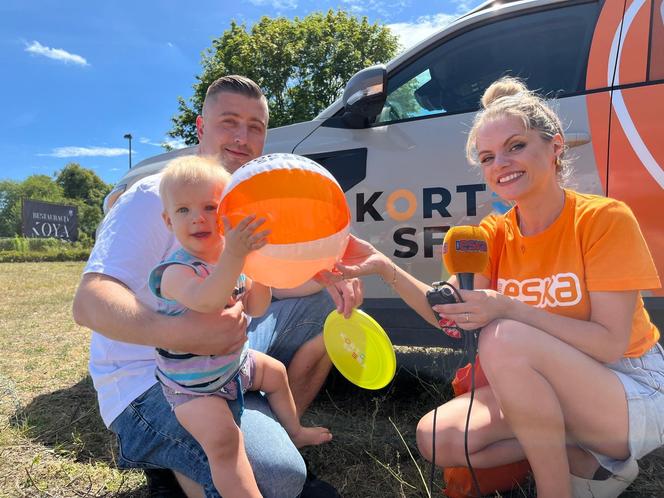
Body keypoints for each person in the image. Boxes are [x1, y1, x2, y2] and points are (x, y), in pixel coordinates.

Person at [326, 77, 664, 498]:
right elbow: (449, 314)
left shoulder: (603, 219)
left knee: (504, 335)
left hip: (629, 387)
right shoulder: (492, 233)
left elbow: (611, 343)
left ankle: (554, 488)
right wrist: (385, 269)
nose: (500, 163)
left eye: (516, 146)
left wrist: (509, 308)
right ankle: (591, 465)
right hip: (547, 387)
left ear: (556, 145)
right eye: (487, 157)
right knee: (439, 438)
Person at [72, 75, 360, 498]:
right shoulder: (153, 198)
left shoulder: (244, 206)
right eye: (229, 122)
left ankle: (268, 427)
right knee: (281, 479)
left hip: (226, 354)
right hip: (154, 375)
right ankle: (190, 453)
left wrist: (322, 273)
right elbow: (88, 302)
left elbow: (258, 293)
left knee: (320, 304)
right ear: (201, 127)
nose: (242, 138)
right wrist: (180, 333)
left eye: (255, 127)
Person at [150, 155, 332, 497]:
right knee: (225, 443)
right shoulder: (174, 271)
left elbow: (256, 306)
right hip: (192, 386)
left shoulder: (230, 258)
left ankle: (293, 430)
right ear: (168, 221)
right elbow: (205, 300)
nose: (198, 218)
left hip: (234, 364)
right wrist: (236, 256)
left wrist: (259, 270)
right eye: (183, 210)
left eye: (209, 207)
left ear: (226, 213)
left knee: (276, 373)